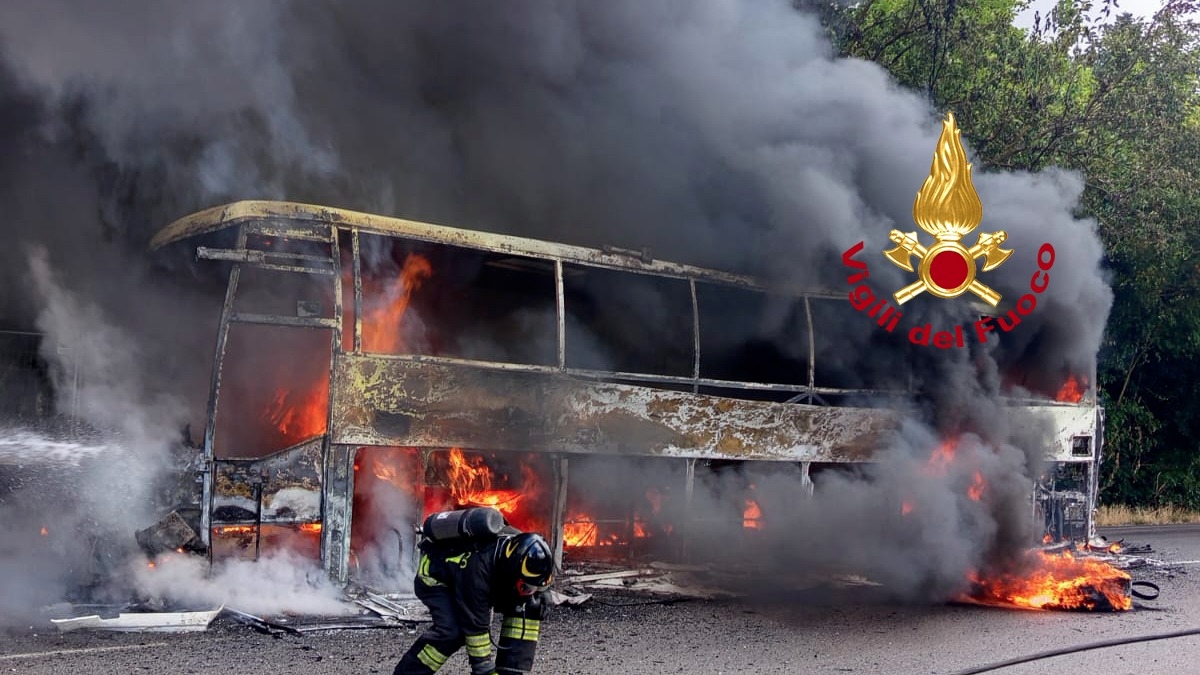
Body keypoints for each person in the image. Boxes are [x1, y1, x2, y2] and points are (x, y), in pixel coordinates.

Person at [394, 511, 555, 675]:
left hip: (479, 578)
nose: (529, 592)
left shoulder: (519, 547)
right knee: (452, 632)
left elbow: (534, 584)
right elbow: (475, 626)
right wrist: (484, 668)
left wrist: (539, 592)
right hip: (436, 578)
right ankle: (410, 672)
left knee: (530, 605)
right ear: (511, 569)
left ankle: (511, 670)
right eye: (525, 587)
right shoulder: (478, 572)